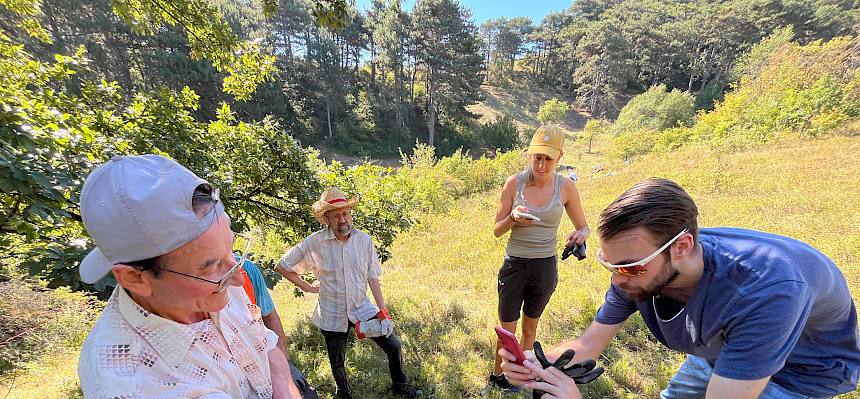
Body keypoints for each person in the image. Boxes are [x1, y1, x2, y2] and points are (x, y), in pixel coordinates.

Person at [501, 178, 860, 399]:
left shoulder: (767, 293)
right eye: (609, 264)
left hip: (804, 371)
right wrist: (539, 363)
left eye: (629, 267)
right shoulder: (642, 267)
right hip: (723, 349)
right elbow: (589, 344)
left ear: (682, 247)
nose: (617, 279)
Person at [76, 154, 300, 399]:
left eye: (231, 248)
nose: (238, 279)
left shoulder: (218, 278)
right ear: (134, 278)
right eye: (210, 266)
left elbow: (263, 342)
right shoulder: (130, 385)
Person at [274, 187, 422, 399]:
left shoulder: (364, 241)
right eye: (336, 216)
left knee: (394, 345)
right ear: (326, 219)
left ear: (350, 214)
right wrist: (307, 287)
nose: (342, 220)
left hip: (361, 307)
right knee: (337, 362)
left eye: (345, 214)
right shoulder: (315, 242)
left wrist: (383, 311)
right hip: (332, 311)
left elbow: (372, 276)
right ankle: (343, 393)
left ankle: (399, 384)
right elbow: (282, 265)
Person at [489, 125, 591, 391]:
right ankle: (498, 378)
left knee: (530, 330)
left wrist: (579, 235)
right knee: (506, 332)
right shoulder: (514, 183)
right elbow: (497, 231)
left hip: (545, 266)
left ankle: (520, 378)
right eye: (537, 157)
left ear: (558, 157)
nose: (542, 164)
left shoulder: (566, 187)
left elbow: (584, 226)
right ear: (530, 155)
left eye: (548, 158)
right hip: (515, 265)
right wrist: (512, 218)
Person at [240, 258, 319, 398]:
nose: (235, 276)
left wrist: (287, 364)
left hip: (262, 361)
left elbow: (270, 318)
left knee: (307, 394)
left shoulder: (247, 269)